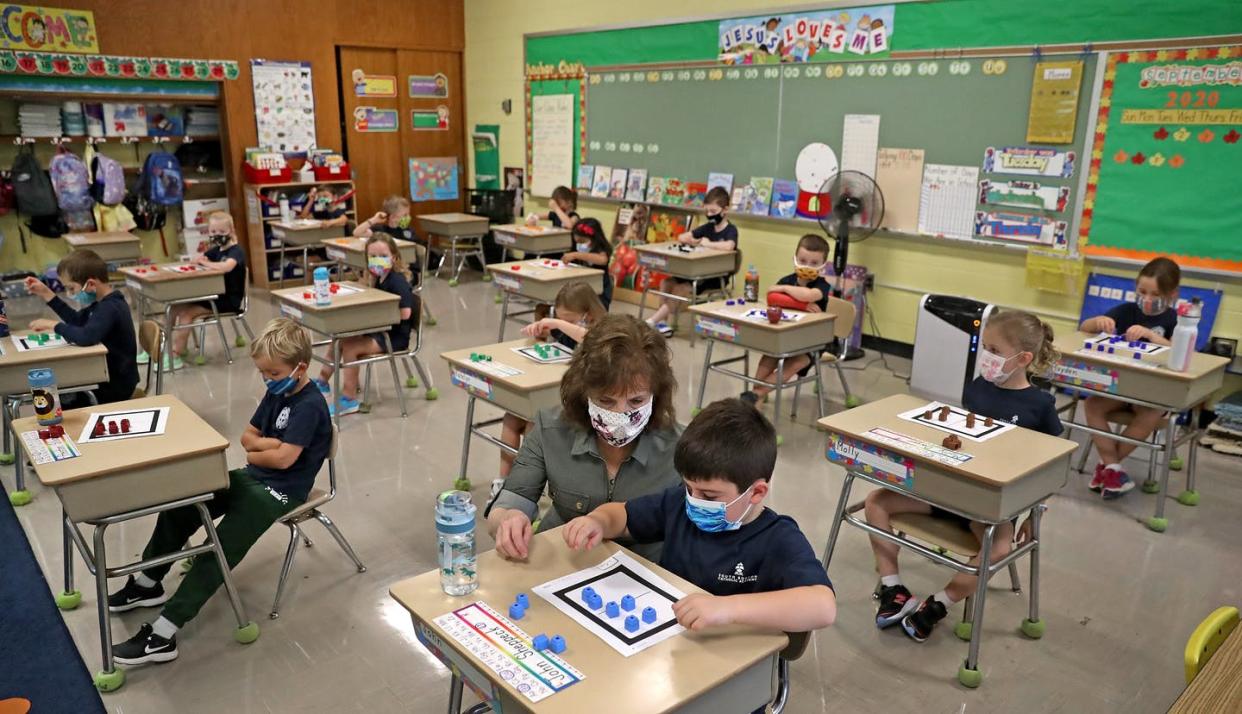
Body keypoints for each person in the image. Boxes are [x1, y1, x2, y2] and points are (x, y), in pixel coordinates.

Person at [107, 318, 331, 665]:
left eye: (273, 372)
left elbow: (285, 461)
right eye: (263, 372)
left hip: (282, 492)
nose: (267, 380)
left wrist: (262, 450)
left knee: (220, 547)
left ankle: (164, 633)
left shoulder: (310, 405)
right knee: (184, 505)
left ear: (300, 367)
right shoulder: (278, 392)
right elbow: (247, 438)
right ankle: (148, 581)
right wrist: (264, 449)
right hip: (253, 476)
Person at [866, 310, 1062, 642]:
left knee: (999, 548)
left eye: (996, 351)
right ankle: (893, 588)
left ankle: (939, 604)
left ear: (1024, 358)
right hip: (947, 491)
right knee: (875, 502)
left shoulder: (1040, 405)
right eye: (985, 347)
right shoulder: (977, 387)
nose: (986, 357)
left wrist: (1035, 512)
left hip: (989, 506)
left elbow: (1051, 467)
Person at [562, 399, 837, 635]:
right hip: (670, 640)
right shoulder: (678, 504)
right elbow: (622, 515)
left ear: (756, 492)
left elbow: (823, 607)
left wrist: (727, 608)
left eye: (709, 496)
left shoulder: (778, 538)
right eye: (688, 487)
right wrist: (598, 521)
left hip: (730, 658)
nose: (694, 501)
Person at [486, 315, 683, 562]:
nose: (620, 414)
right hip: (564, 562)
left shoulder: (681, 448)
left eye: (636, 401)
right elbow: (511, 501)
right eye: (605, 401)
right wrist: (508, 520)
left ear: (656, 394)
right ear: (583, 390)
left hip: (643, 572)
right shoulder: (551, 429)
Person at [491, 282, 607, 499]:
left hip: (582, 400)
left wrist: (556, 323)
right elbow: (552, 350)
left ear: (588, 313)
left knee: (535, 421)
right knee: (511, 418)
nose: (564, 324)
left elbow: (591, 340)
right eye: (561, 318)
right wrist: (541, 334)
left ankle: (528, 484)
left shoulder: (604, 329)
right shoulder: (564, 327)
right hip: (554, 389)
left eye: (570, 321)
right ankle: (503, 483)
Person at [1078, 256, 1181, 498]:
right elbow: (1085, 327)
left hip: (1153, 393)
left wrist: (1150, 335)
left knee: (1150, 413)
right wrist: (1097, 322)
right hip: (1121, 387)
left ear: (1172, 294)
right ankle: (1113, 468)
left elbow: (1178, 352)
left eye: (1155, 295)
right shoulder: (1126, 310)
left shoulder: (1175, 320)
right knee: (1092, 404)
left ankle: (1107, 467)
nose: (1147, 299)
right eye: (1142, 291)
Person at [312, 233, 417, 415]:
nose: (378, 260)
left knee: (351, 348)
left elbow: (406, 313)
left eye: (383, 256)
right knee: (341, 338)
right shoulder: (378, 279)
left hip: (393, 337)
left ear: (394, 257)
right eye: (373, 256)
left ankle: (349, 398)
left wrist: (377, 318)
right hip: (379, 331)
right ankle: (322, 381)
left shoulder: (397, 281)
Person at [25, 250, 137, 405]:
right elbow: (76, 320)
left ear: (90, 284)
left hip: (115, 386)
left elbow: (86, 337)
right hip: (105, 376)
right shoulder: (101, 304)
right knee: (61, 394)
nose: (70, 294)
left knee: (59, 399)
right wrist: (46, 293)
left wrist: (54, 325)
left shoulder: (110, 307)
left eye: (71, 288)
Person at [741, 234, 833, 405]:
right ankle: (757, 398)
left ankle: (757, 393)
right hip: (785, 337)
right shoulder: (787, 281)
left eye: (813, 263)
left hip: (811, 343)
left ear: (823, 265)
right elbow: (772, 295)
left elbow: (809, 295)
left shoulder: (822, 285)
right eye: (803, 260)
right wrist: (800, 303)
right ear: (795, 258)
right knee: (769, 357)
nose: (807, 266)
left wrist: (787, 294)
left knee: (796, 362)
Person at [147, 211, 247, 370]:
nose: (217, 235)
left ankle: (176, 353)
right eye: (213, 232)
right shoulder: (216, 250)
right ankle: (158, 344)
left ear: (231, 231)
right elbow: (198, 259)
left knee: (187, 314)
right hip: (211, 295)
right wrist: (200, 259)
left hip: (227, 300)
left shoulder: (236, 251)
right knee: (173, 308)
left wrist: (206, 264)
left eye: (222, 232)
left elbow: (227, 266)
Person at [646, 186, 737, 336]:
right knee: (666, 283)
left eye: (713, 212)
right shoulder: (708, 227)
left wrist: (708, 244)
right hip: (695, 272)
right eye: (707, 211)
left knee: (680, 289)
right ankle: (662, 323)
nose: (709, 215)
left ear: (725, 210)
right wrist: (694, 240)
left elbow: (729, 246)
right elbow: (683, 237)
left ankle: (652, 321)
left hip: (713, 276)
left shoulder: (730, 230)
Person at [355, 195, 421, 279]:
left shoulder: (408, 231)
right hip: (381, 270)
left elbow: (412, 257)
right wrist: (374, 219)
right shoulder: (380, 229)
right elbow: (357, 232)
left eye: (408, 214)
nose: (408, 217)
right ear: (393, 217)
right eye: (405, 215)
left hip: (405, 271)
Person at [561, 217, 613, 309]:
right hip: (581, 290)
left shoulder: (601, 249)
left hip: (598, 292)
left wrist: (577, 255)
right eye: (577, 242)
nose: (580, 245)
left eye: (582, 242)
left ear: (595, 239)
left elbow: (603, 260)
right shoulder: (576, 249)